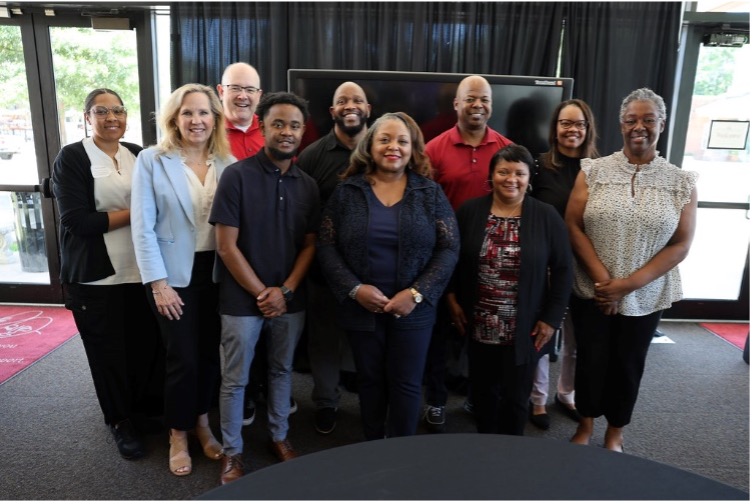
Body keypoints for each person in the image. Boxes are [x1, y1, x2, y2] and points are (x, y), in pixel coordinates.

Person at [565, 88, 698, 452]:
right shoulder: (592, 171)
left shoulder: (681, 181)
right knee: (591, 359)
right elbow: (573, 225)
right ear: (621, 124)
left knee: (628, 364)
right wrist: (604, 284)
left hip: (647, 292)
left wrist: (627, 286)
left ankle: (615, 432)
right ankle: (586, 424)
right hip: (591, 287)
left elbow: (681, 244)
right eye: (631, 120)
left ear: (662, 125)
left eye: (648, 119)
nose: (639, 126)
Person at [317, 112, 459, 441]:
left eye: (402, 141)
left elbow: (449, 247)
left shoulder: (430, 193)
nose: (393, 146)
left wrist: (417, 293)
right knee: (369, 380)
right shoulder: (347, 192)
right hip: (361, 309)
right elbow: (326, 245)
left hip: (415, 311)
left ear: (413, 149)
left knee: (407, 384)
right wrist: (354, 289)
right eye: (385, 139)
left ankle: (401, 459)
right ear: (370, 145)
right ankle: (372, 451)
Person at [211, 92, 320, 485]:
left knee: (281, 370)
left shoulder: (307, 185)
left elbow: (310, 244)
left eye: (294, 125)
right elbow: (226, 245)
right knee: (236, 378)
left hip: (290, 300)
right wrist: (263, 293)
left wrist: (286, 291)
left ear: (302, 132)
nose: (286, 131)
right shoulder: (236, 176)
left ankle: (279, 436)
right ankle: (233, 452)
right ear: (263, 127)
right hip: (241, 300)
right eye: (278, 123)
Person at [52, 88, 165, 460]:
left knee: (145, 345)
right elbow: (77, 220)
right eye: (102, 111)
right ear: (87, 117)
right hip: (96, 278)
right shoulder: (72, 157)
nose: (111, 117)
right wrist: (139, 212)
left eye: (118, 110)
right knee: (108, 353)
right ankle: (119, 421)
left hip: (140, 272)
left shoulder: (138, 153)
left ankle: (145, 412)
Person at [131, 83, 236, 476]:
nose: (197, 120)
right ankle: (178, 433)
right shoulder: (152, 160)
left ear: (215, 119)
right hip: (172, 276)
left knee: (210, 357)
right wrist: (158, 283)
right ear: (174, 118)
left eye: (204, 113)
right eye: (188, 113)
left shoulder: (228, 163)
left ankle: (202, 423)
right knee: (183, 359)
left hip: (219, 274)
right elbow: (142, 228)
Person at [447, 144, 573, 436]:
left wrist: (552, 319)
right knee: (483, 397)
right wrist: (451, 298)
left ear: (529, 178)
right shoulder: (469, 211)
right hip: (479, 325)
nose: (511, 179)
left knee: (516, 401)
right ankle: (485, 454)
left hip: (526, 327)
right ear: (491, 175)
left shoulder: (546, 216)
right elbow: (452, 259)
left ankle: (511, 459)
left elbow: (564, 268)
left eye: (519, 172)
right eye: (503, 171)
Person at [422, 75, 514, 432]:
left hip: (492, 262)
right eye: (471, 99)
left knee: (485, 336)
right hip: (444, 259)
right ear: (456, 105)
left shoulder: (506, 148)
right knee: (439, 336)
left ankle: (479, 395)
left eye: (485, 99)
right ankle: (436, 402)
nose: (479, 105)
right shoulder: (434, 149)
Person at [297, 81, 371, 435]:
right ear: (332, 112)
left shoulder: (384, 149)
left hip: (373, 270)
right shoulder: (312, 155)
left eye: (357, 100)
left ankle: (366, 397)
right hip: (324, 270)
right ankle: (326, 401)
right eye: (342, 101)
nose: (350, 106)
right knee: (324, 339)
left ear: (368, 109)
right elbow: (304, 215)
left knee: (368, 340)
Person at [528, 99, 600, 429]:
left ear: (588, 130)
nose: (572, 130)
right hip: (546, 265)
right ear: (555, 128)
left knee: (576, 339)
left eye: (579, 124)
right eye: (566, 123)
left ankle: (566, 393)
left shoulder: (600, 169)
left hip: (586, 265)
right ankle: (538, 399)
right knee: (543, 333)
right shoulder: (539, 166)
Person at [217, 62, 264, 160]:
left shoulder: (269, 130)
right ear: (221, 92)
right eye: (235, 88)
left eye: (250, 90)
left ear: (258, 95)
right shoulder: (209, 131)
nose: (243, 96)